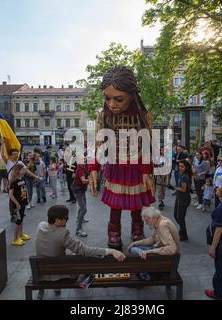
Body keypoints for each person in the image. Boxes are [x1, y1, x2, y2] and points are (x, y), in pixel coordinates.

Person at [88, 67, 155, 249]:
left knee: (136, 205)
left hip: (136, 167)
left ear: (132, 95)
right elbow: (97, 144)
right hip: (116, 166)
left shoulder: (144, 117)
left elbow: (148, 145)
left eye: (118, 99)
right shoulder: (103, 117)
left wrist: (147, 171)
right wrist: (93, 167)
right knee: (115, 206)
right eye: (107, 98)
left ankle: (137, 230)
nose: (111, 104)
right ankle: (114, 232)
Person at [35, 205, 125, 282]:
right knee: (81, 255)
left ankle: (56, 288)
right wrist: (111, 251)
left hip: (42, 273)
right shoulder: (62, 233)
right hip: (59, 273)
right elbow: (84, 250)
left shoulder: (41, 225)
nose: (67, 220)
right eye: (66, 218)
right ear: (58, 220)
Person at [8, 164, 31, 246]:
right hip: (18, 204)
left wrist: (26, 200)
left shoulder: (23, 179)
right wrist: (17, 203)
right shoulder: (14, 181)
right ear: (18, 171)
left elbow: (24, 189)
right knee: (18, 220)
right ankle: (15, 238)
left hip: (23, 202)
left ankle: (20, 235)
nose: (25, 171)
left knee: (21, 219)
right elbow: (10, 194)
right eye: (23, 170)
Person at [173, 160, 192, 241]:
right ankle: (182, 230)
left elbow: (183, 189)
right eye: (179, 166)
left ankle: (184, 234)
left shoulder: (184, 176)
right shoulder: (181, 174)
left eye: (182, 166)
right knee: (176, 215)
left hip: (184, 199)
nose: (180, 168)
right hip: (179, 197)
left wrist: (174, 188)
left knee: (180, 217)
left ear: (186, 167)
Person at [72, 163, 89, 237]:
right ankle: (78, 230)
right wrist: (91, 180)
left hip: (82, 190)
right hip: (78, 191)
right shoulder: (80, 169)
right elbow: (83, 181)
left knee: (82, 206)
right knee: (83, 209)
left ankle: (79, 218)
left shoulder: (84, 167)